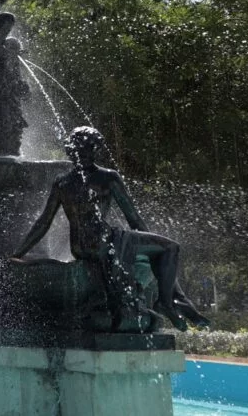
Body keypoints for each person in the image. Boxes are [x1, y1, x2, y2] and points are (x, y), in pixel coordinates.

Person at [11, 127, 209, 331]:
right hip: (105, 243)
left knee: (159, 252)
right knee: (170, 248)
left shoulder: (62, 182)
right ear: (73, 151)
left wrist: (18, 254)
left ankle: (172, 301)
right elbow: (133, 219)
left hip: (80, 248)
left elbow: (43, 223)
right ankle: (168, 303)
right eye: (81, 149)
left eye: (88, 149)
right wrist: (150, 242)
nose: (84, 154)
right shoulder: (107, 177)